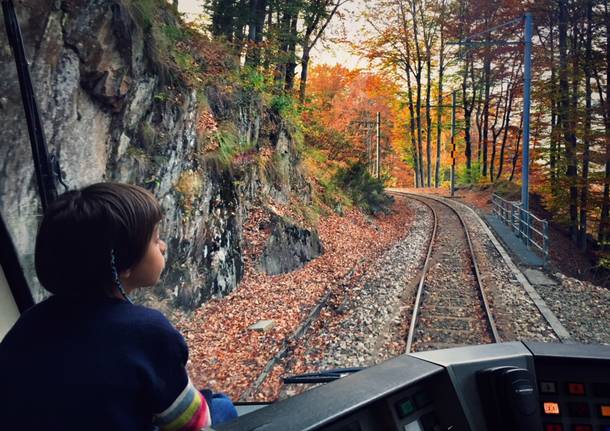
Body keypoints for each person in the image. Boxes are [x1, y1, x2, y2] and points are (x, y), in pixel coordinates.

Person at [0, 182, 237, 430]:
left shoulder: (28, 323)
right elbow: (195, 423)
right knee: (222, 406)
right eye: (156, 240)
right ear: (124, 264)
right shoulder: (146, 332)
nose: (164, 246)